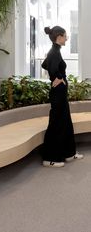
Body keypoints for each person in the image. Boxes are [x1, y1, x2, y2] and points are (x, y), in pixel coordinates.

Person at [41, 26, 83, 167]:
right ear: (59, 37)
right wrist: (60, 77)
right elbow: (51, 68)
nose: (67, 38)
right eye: (65, 36)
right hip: (57, 94)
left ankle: (69, 153)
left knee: (65, 122)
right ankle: (50, 158)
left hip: (60, 93)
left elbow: (44, 64)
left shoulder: (55, 51)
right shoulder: (54, 52)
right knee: (56, 123)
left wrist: (60, 78)